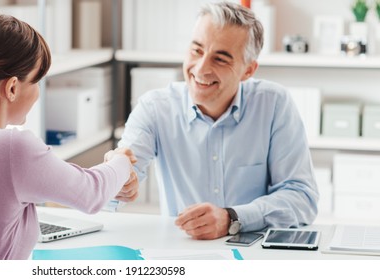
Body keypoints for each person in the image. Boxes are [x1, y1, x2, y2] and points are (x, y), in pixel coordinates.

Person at [0, 11, 137, 259]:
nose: (38, 92)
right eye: (36, 81)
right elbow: (91, 193)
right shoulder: (12, 148)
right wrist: (121, 160)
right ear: (12, 88)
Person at [118, 1, 318, 240]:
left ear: (248, 70)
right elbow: (123, 174)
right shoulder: (155, 107)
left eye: (220, 59)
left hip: (255, 253)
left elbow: (302, 198)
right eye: (196, 51)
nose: (201, 70)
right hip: (182, 253)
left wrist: (233, 218)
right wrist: (117, 175)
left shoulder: (274, 104)